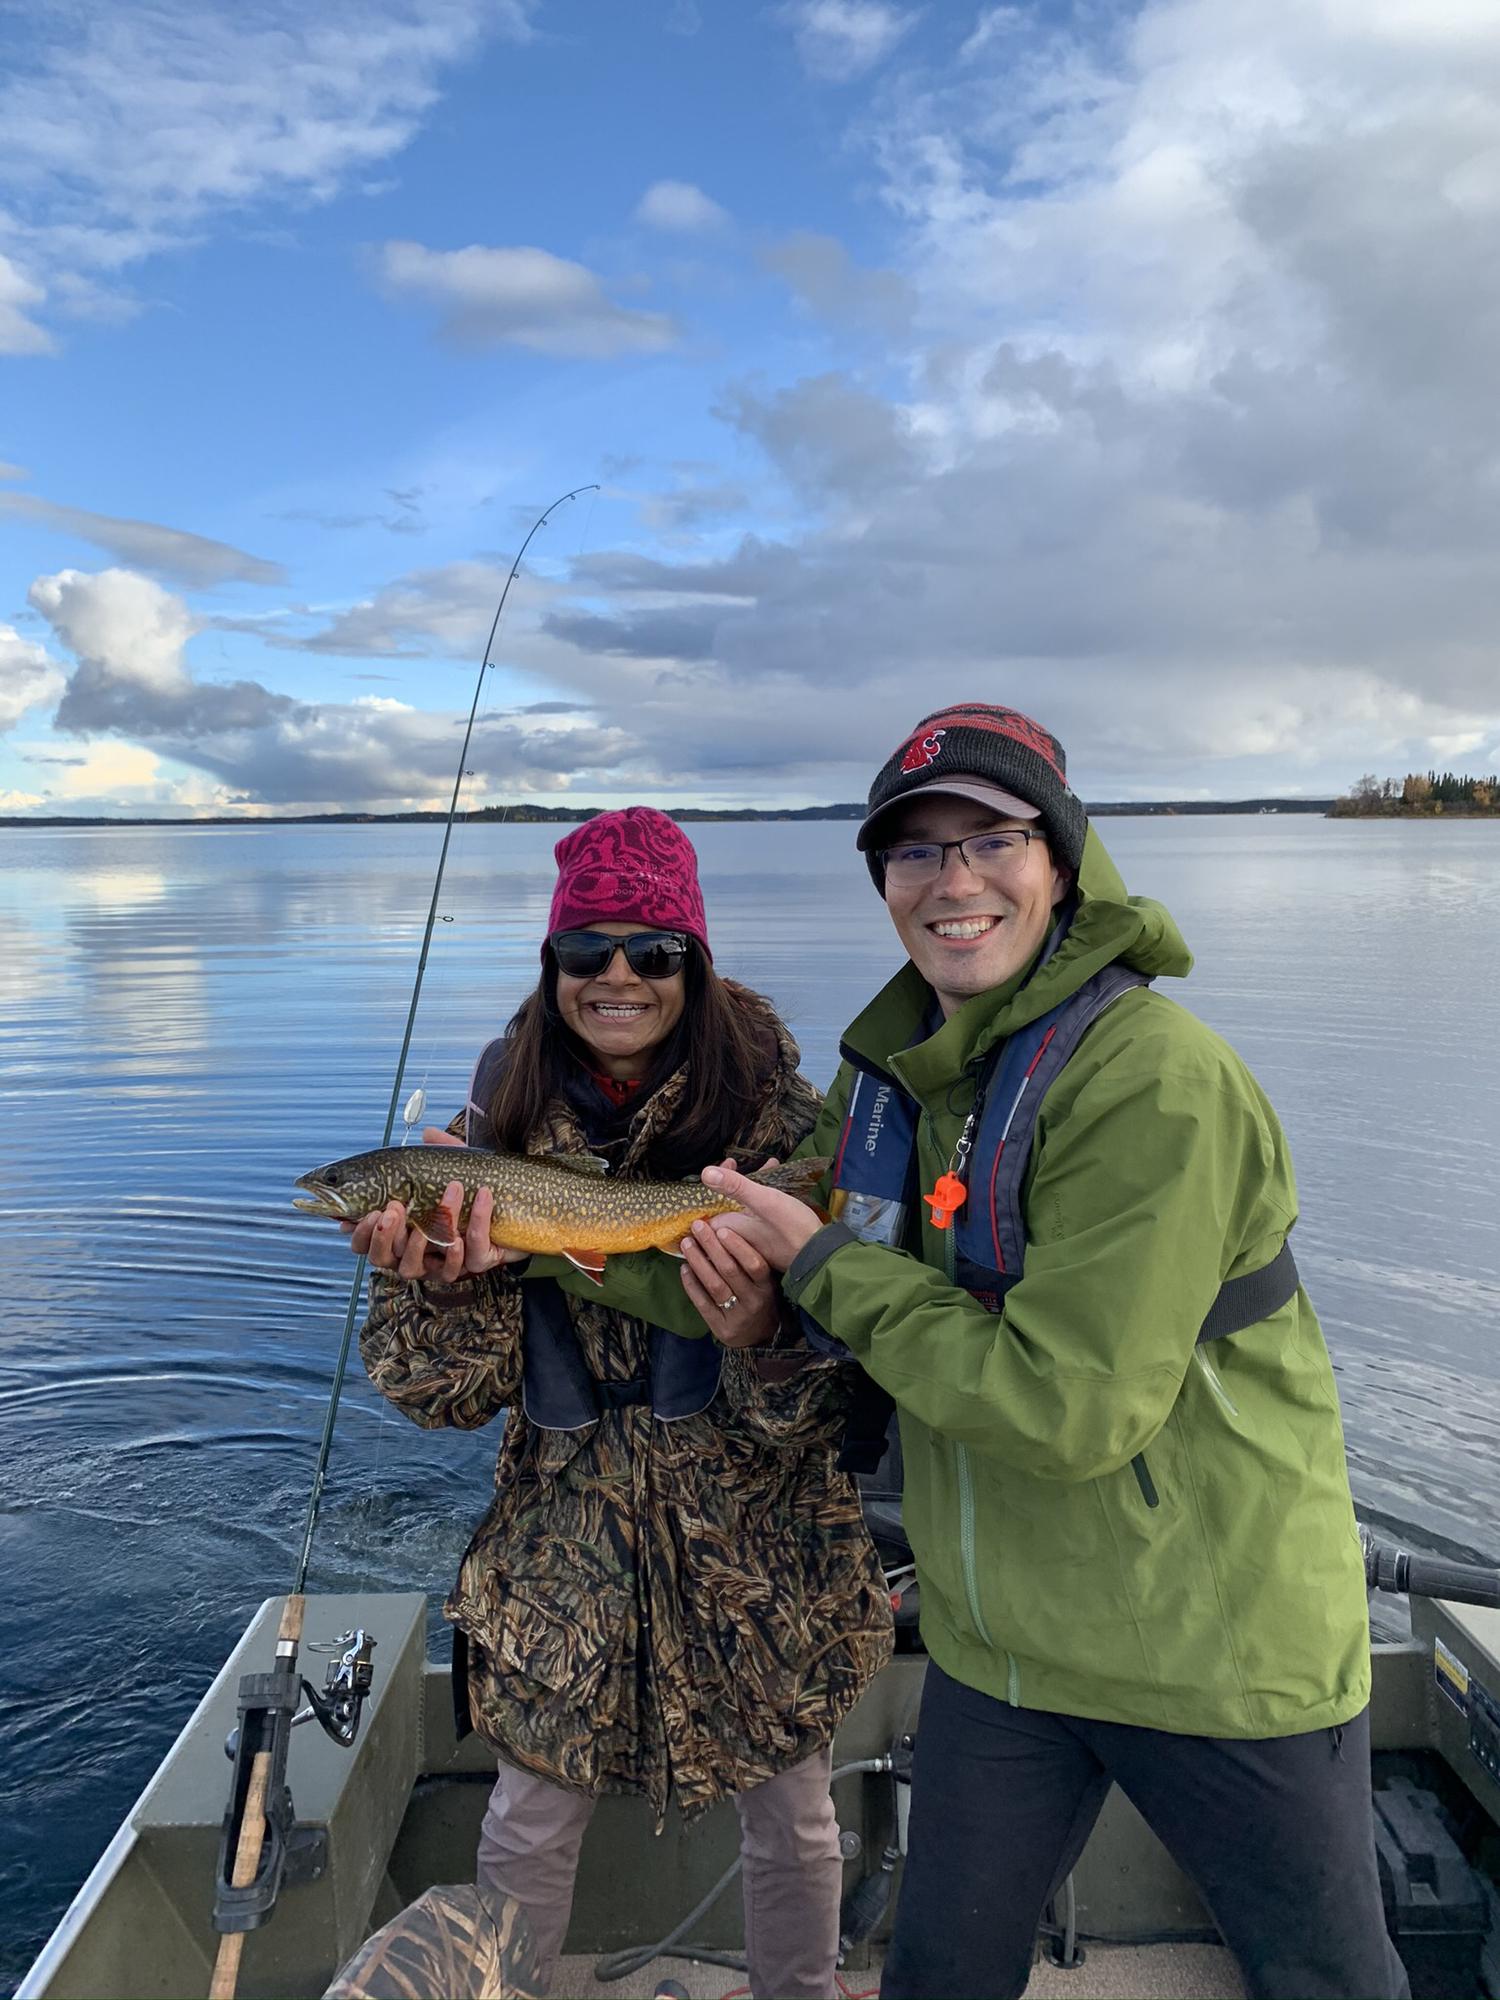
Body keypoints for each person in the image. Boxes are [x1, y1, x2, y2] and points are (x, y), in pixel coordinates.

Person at [569, 707, 1407, 2000]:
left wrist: (819, 1273)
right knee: (939, 1979)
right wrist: (526, 1233)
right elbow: (763, 1246)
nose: (952, 881)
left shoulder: (1156, 1084)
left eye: (991, 840)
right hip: (1001, 1652)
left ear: (1059, 860)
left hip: (1219, 1649)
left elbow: (1068, 1409)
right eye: (914, 852)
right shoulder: (899, 1086)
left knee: (1331, 1982)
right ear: (886, 885)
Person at [346, 807, 893, 2000]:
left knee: (796, 1820)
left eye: (652, 947)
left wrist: (768, 1334)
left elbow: (858, 1381)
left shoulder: (788, 1129)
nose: (617, 974)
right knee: (526, 1828)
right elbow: (440, 1397)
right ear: (552, 964)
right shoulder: (486, 1133)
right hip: (561, 1553)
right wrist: (440, 1291)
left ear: (693, 960)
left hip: (764, 1554)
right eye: (586, 945)